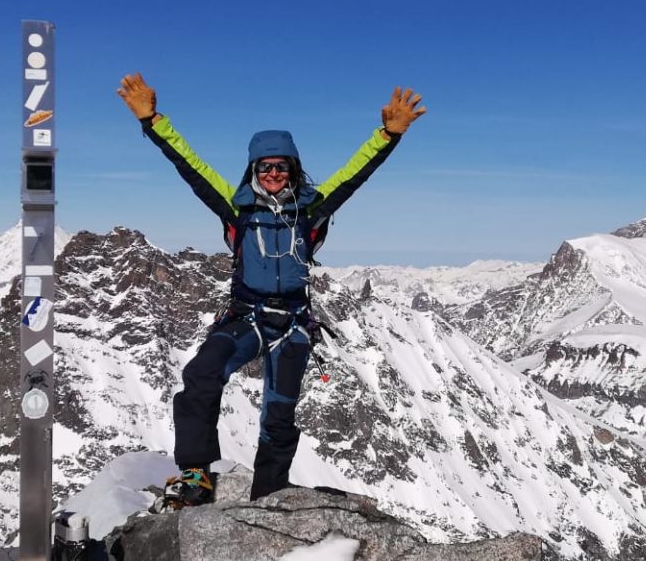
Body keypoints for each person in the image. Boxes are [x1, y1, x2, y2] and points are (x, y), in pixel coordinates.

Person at [118, 73, 426, 505]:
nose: (275, 173)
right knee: (201, 376)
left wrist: (387, 137)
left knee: (279, 414)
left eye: (283, 166)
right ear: (254, 171)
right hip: (247, 318)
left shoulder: (311, 209)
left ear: (293, 170)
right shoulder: (235, 207)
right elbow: (189, 165)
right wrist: (153, 121)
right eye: (266, 167)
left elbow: (355, 175)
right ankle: (194, 475)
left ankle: (269, 495)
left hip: (294, 324)